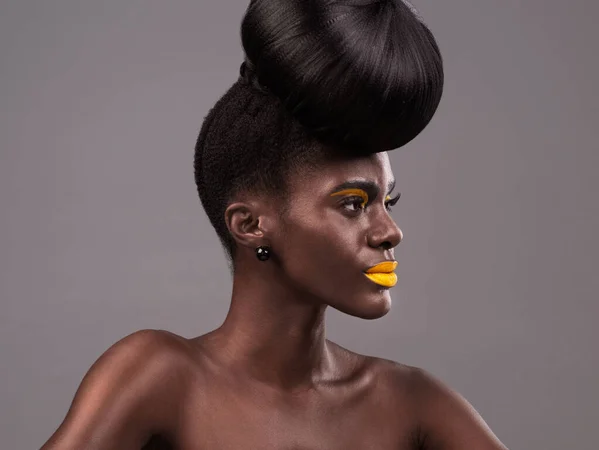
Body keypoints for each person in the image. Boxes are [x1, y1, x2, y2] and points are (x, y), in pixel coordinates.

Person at [41, 1, 508, 449]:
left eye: (388, 200)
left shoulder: (411, 403)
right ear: (250, 225)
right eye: (352, 204)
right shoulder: (162, 377)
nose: (390, 231)